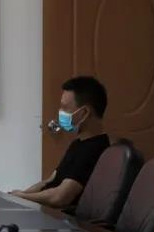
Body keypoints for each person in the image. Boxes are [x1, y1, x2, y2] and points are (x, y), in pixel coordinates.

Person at [10, 76, 111, 210]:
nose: (61, 113)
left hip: (64, 218)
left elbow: (60, 197)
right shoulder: (78, 144)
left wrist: (23, 197)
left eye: (65, 108)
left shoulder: (95, 149)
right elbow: (49, 181)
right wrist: (18, 196)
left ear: (84, 113)